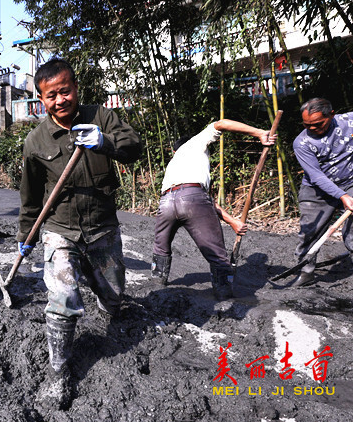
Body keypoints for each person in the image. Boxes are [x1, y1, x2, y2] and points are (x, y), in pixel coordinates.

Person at [17, 58, 141, 409]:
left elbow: (134, 146)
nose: (60, 100)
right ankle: (58, 371)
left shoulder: (100, 116)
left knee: (114, 296)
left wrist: (104, 142)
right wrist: (26, 237)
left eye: (65, 91)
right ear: (42, 99)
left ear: (76, 87)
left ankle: (104, 298)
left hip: (102, 227)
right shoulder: (35, 141)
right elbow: (30, 197)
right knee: (63, 299)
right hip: (61, 230)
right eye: (51, 95)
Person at [151, 120, 276, 298]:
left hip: (166, 203)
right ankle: (224, 293)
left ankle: (157, 286)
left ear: (174, 152)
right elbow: (221, 123)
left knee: (161, 248)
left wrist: (232, 221)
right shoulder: (195, 142)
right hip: (193, 199)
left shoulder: (173, 164)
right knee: (217, 254)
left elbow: (203, 200)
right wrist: (259, 133)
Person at [292, 97, 353, 287]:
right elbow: (317, 176)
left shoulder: (352, 120)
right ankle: (305, 271)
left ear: (332, 115)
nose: (312, 128)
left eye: (318, 124)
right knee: (310, 231)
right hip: (317, 190)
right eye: (307, 125)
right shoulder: (302, 142)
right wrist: (342, 196)